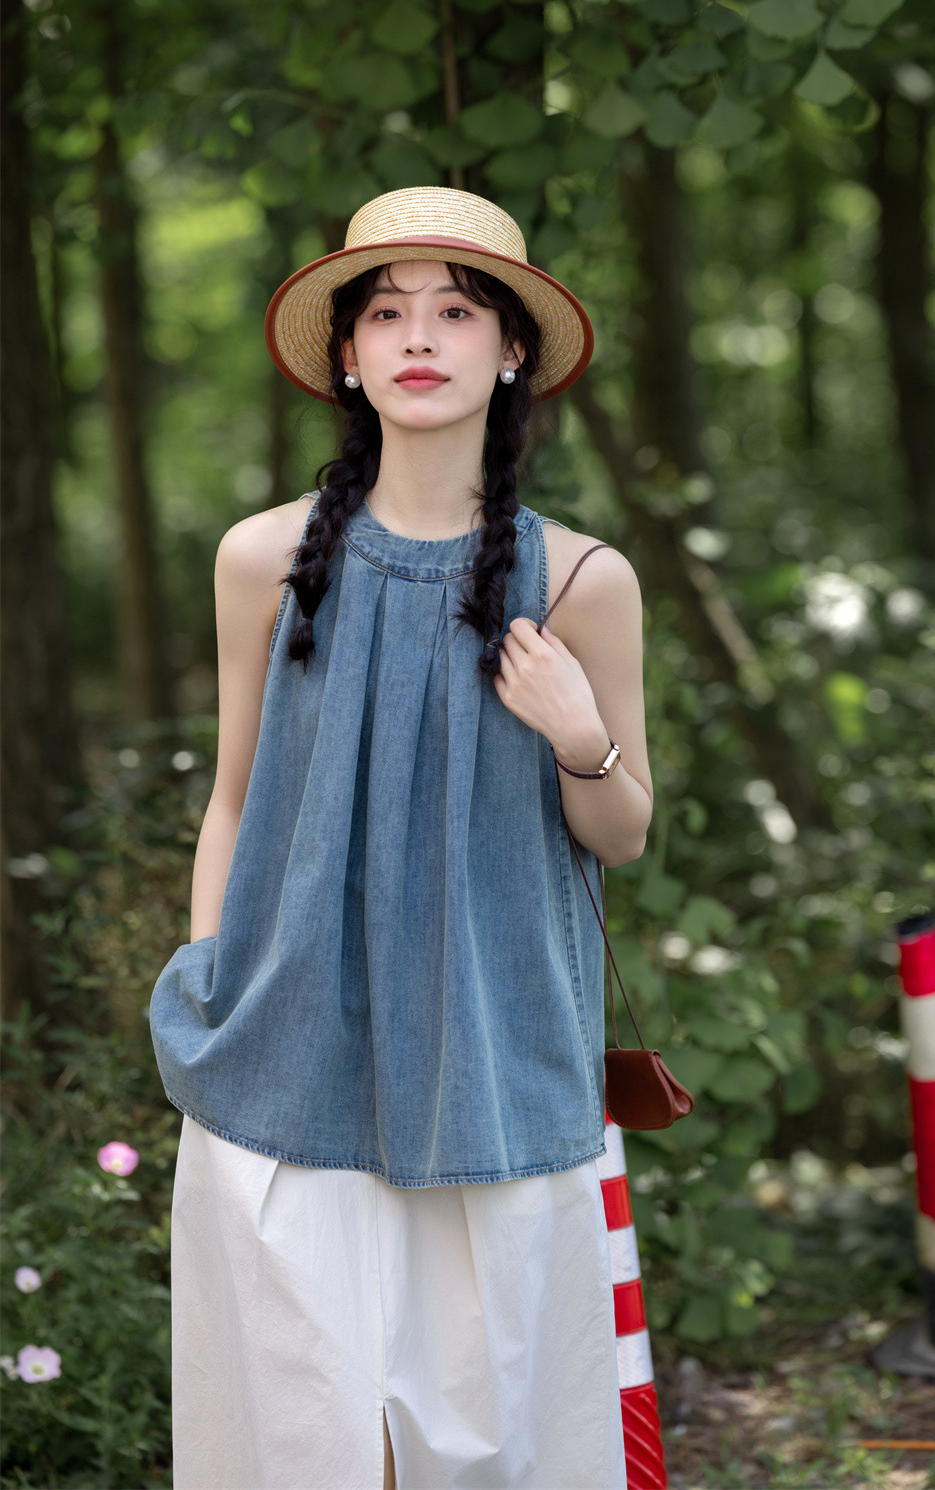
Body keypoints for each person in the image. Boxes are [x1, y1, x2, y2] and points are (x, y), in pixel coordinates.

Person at [149, 186, 653, 1490]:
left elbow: (623, 832)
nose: (418, 337)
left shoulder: (581, 580)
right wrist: (213, 979)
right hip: (282, 1054)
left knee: (499, 1451)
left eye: (457, 311)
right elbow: (233, 799)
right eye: (385, 313)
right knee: (293, 1442)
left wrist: (578, 732)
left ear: (513, 350)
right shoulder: (262, 559)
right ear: (350, 355)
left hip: (494, 1061)